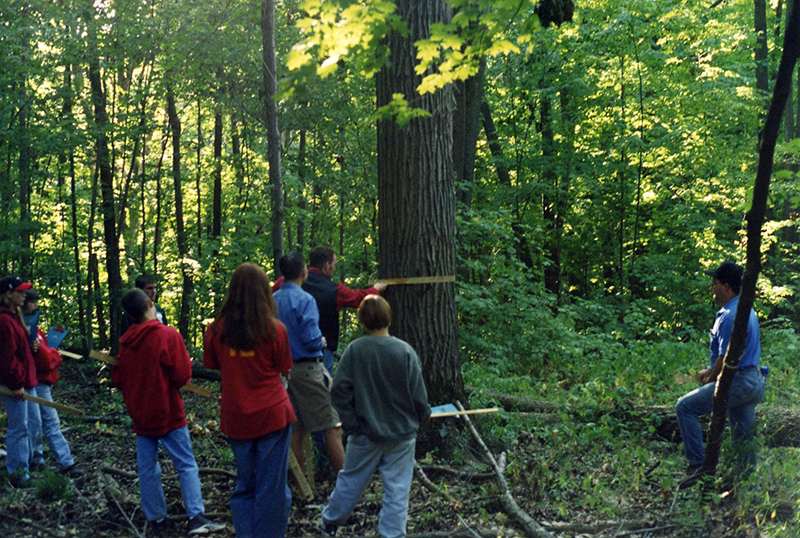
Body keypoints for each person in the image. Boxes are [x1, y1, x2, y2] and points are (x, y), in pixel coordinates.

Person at [113, 288, 224, 535]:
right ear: (150, 304)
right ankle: (196, 517)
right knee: (185, 464)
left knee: (147, 467)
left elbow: (119, 378)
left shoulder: (126, 343)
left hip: (140, 413)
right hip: (168, 411)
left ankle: (156, 519)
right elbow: (183, 374)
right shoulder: (166, 336)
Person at [318, 296, 430, 538]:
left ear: (363, 320)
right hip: (400, 434)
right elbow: (418, 395)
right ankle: (392, 534)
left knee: (350, 481)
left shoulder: (355, 351)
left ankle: (329, 522)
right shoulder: (405, 351)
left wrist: (352, 424)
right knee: (397, 489)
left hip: (364, 434)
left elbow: (338, 391)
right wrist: (424, 415)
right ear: (389, 318)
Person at [203, 263, 295, 538]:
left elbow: (214, 365)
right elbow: (285, 369)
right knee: (273, 487)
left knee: (245, 485)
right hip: (272, 415)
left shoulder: (217, 330)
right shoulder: (275, 330)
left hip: (237, 417)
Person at [675, 260, 765, 489]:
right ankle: (748, 494)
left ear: (726, 287)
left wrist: (713, 376)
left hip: (738, 382)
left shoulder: (729, 316)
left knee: (684, 407)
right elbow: (729, 356)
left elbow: (725, 360)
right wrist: (710, 371)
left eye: (714, 283)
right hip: (752, 381)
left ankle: (697, 465)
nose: (711, 288)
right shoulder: (743, 310)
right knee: (743, 442)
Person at [273, 252, 345, 474]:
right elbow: (311, 338)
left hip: (285, 373)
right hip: (308, 369)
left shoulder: (272, 299)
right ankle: (346, 483)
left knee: (296, 429)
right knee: (331, 426)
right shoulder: (305, 300)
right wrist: (321, 341)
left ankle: (300, 485)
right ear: (303, 272)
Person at [274, 246, 387, 375]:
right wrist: (375, 290)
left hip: (285, 354)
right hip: (318, 353)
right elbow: (357, 298)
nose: (335, 268)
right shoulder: (333, 290)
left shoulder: (284, 284)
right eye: (334, 264)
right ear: (327, 265)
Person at [22, 290, 82, 476]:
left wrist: (50, 353)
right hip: (32, 381)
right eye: (32, 302)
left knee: (47, 421)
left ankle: (62, 461)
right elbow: (46, 360)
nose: (36, 306)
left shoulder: (37, 331)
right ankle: (39, 460)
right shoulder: (22, 328)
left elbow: (51, 356)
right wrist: (48, 354)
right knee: (37, 422)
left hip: (42, 382)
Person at [0, 276, 37, 487]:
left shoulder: (15, 316)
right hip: (15, 383)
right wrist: (16, 385)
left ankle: (26, 466)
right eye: (20, 292)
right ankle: (18, 473)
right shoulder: (4, 320)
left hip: (25, 381)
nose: (24, 295)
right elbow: (7, 359)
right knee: (18, 427)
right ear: (8, 294)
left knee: (28, 425)